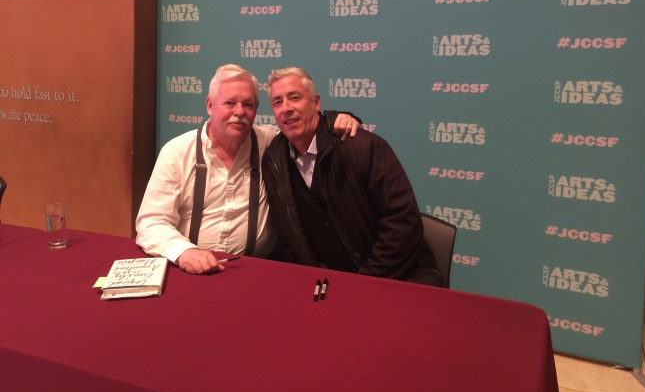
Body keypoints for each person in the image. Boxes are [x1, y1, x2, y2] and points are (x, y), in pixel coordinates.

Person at [136, 64, 359, 275]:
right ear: (210, 105)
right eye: (230, 103)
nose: (240, 112)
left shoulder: (269, 143)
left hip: (255, 271)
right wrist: (184, 251)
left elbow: (305, 127)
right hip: (188, 269)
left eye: (248, 105)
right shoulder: (177, 152)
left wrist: (336, 119)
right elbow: (151, 222)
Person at [262, 67, 440, 285]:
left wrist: (362, 282)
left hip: (395, 277)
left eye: (295, 97)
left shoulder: (363, 148)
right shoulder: (274, 162)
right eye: (277, 102)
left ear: (316, 102)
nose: (286, 108)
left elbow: (402, 225)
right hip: (327, 284)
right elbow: (288, 238)